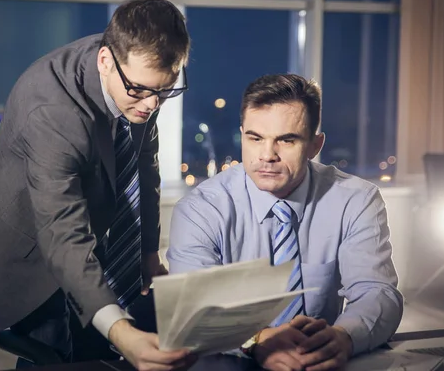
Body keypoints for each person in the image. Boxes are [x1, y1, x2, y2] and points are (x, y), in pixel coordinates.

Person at [0, 0, 196, 371]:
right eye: (140, 91)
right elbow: (63, 234)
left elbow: (144, 168)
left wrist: (149, 252)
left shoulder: (136, 76)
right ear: (105, 61)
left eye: (165, 91)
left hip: (96, 228)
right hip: (33, 238)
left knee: (95, 352)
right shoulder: (53, 111)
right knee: (51, 356)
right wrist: (121, 332)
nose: (152, 105)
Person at [167, 74, 403, 371]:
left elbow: (377, 292)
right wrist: (258, 341)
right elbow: (193, 311)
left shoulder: (355, 200)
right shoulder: (200, 210)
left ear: (315, 146)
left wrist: (345, 337)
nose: (267, 155)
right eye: (255, 138)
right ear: (242, 134)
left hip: (314, 362)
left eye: (286, 140)